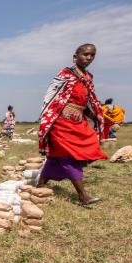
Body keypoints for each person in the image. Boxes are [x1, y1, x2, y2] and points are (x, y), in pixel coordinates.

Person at [37, 43, 107, 206]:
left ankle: (40, 184)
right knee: (68, 156)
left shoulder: (88, 77)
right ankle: (83, 196)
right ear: (75, 57)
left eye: (92, 55)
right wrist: (59, 114)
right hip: (60, 122)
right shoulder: (65, 74)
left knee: (57, 157)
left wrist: (94, 115)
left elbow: (86, 101)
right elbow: (51, 98)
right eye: (85, 54)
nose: (89, 58)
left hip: (77, 122)